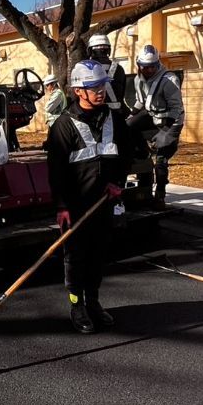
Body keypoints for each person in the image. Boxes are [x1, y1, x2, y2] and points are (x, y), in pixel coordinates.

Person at [46, 60, 133, 334]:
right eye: (93, 87)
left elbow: (126, 153)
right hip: (74, 206)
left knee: (97, 256)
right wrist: (61, 206)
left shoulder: (114, 119)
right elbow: (56, 170)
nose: (100, 92)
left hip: (103, 204)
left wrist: (117, 182)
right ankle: (76, 305)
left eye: (102, 86)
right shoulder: (63, 125)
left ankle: (93, 302)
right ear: (78, 91)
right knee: (75, 258)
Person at [126, 44, 185, 208]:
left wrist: (166, 132)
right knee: (128, 126)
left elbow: (177, 109)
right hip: (152, 115)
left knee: (161, 159)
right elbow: (141, 101)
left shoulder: (169, 80)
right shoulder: (139, 79)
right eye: (145, 67)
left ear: (157, 63)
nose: (149, 70)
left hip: (170, 121)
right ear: (139, 65)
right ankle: (142, 153)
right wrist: (131, 114)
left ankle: (160, 194)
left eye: (152, 66)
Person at [87, 33, 127, 113]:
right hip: (116, 115)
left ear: (90, 50)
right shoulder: (119, 69)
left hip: (94, 115)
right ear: (108, 50)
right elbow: (122, 94)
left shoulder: (86, 69)